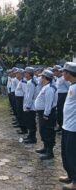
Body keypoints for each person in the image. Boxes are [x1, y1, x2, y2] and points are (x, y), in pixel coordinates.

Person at [59, 62, 76, 190]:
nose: (62, 74)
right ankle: (70, 175)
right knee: (65, 153)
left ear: (69, 74)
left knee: (72, 154)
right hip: (67, 125)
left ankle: (75, 182)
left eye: (64, 72)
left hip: (73, 128)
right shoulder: (72, 86)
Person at [35, 70, 58, 160]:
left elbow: (49, 103)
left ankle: (49, 152)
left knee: (48, 131)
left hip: (47, 113)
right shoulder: (46, 86)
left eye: (41, 77)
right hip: (43, 113)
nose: (40, 78)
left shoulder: (50, 88)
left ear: (45, 78)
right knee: (43, 131)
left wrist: (46, 114)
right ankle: (45, 147)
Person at [53, 65, 70, 133]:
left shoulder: (63, 79)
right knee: (58, 112)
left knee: (61, 112)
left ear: (58, 71)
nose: (53, 72)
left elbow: (69, 87)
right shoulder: (57, 78)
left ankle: (63, 128)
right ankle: (60, 126)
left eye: (55, 71)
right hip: (58, 96)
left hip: (63, 96)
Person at [23, 67, 37, 144]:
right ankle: (30, 136)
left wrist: (27, 106)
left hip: (31, 106)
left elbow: (30, 96)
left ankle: (32, 138)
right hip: (30, 105)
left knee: (31, 122)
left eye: (26, 73)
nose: (24, 74)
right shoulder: (30, 81)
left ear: (29, 74)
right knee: (29, 122)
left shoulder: (30, 83)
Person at [14, 69, 27, 134]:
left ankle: (24, 129)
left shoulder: (23, 82)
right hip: (19, 99)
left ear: (21, 74)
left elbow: (25, 93)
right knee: (19, 114)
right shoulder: (21, 81)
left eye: (17, 73)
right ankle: (22, 128)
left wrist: (24, 103)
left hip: (21, 100)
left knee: (21, 114)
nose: (16, 74)